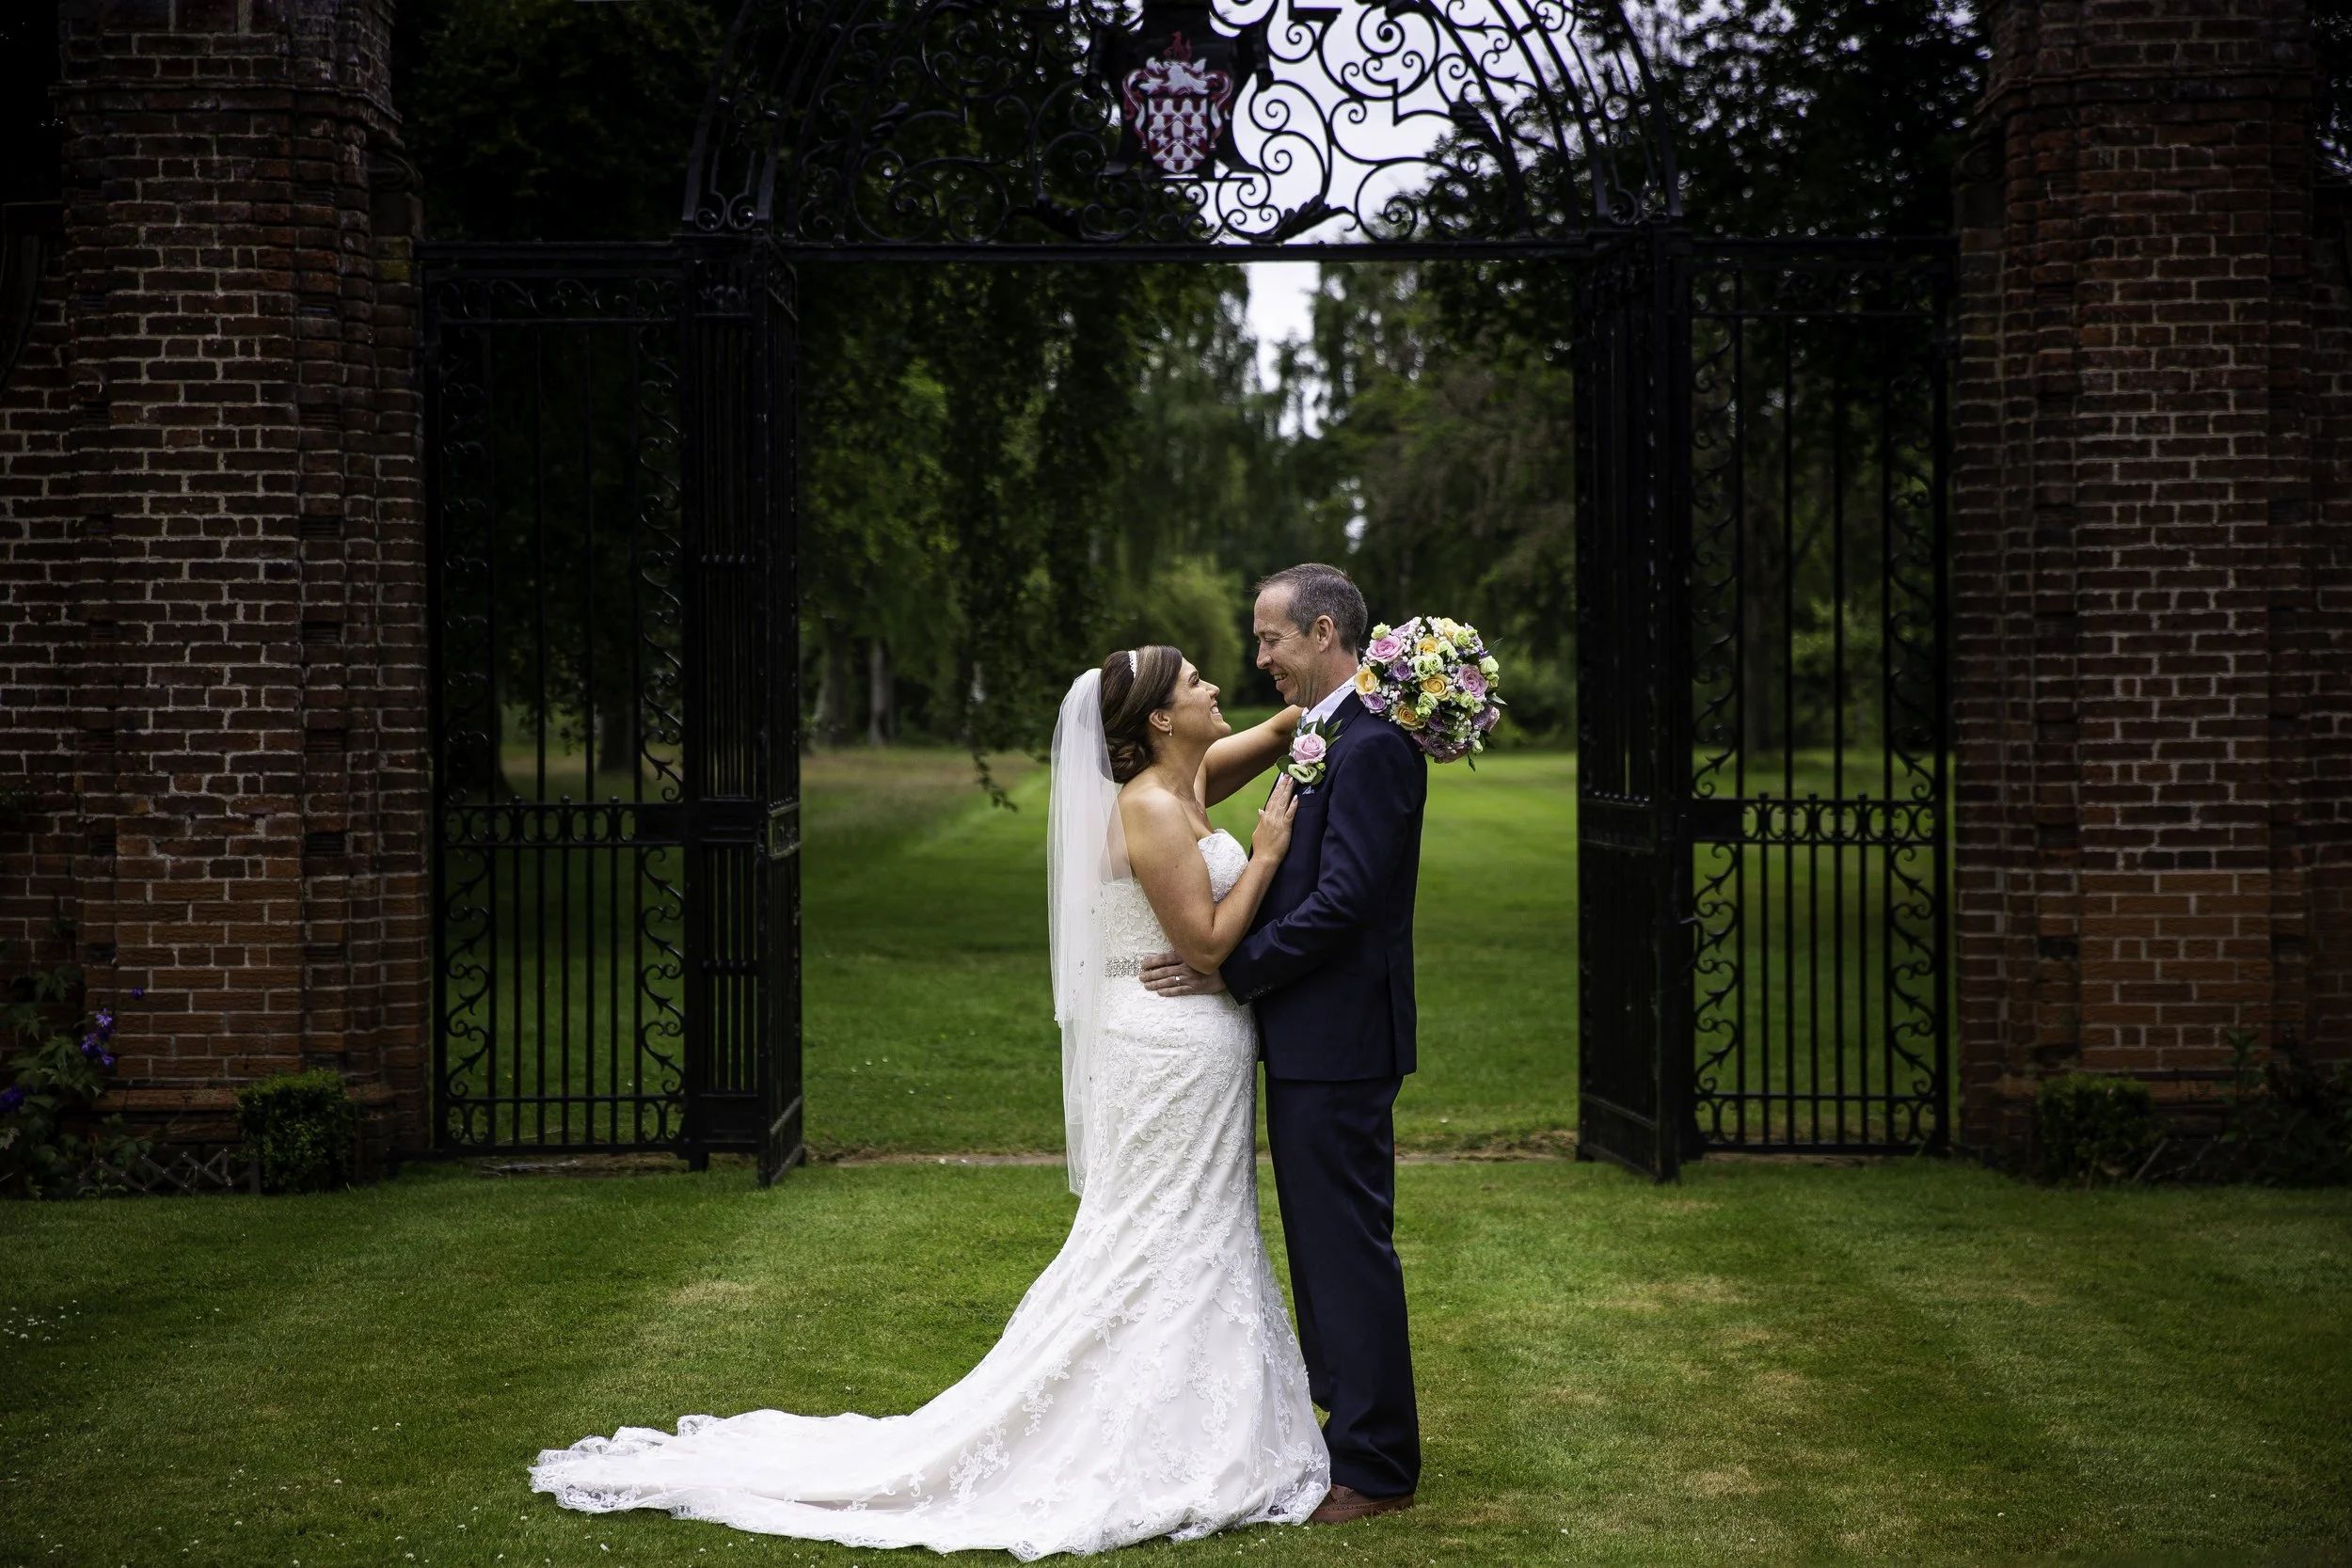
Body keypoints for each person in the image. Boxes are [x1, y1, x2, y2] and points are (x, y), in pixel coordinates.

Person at [531, 645, 1328, 1559]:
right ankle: (1141, 1428)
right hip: (1167, 1045)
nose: (1216, 685)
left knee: (1193, 1224)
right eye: (1193, 681)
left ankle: (1196, 1416)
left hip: (1195, 1047)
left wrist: (1389, 675)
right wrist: (1265, 852)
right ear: (1156, 716)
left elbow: (1281, 728)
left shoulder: (1182, 778)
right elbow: (1210, 945)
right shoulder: (1150, 805)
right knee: (1157, 1228)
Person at [1142, 562, 1426, 1524]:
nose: (1258, 657)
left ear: (1319, 631)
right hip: (1312, 1036)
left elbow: (1346, 902)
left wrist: (1233, 965)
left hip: (1341, 1038)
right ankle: (1347, 1433)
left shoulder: (1373, 744)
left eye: (1268, 639)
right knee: (1323, 1247)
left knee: (1346, 1249)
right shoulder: (1325, 732)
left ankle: (1378, 1464)